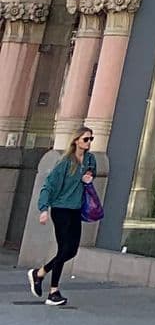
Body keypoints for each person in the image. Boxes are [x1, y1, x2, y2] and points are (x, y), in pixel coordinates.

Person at [32, 127, 97, 306]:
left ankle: (40, 273)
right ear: (76, 140)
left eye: (91, 139)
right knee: (64, 249)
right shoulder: (65, 162)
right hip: (61, 209)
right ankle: (53, 291)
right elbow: (49, 185)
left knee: (72, 250)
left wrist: (90, 177)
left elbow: (93, 174)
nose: (89, 142)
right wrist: (43, 209)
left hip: (76, 209)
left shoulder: (91, 160)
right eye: (85, 139)